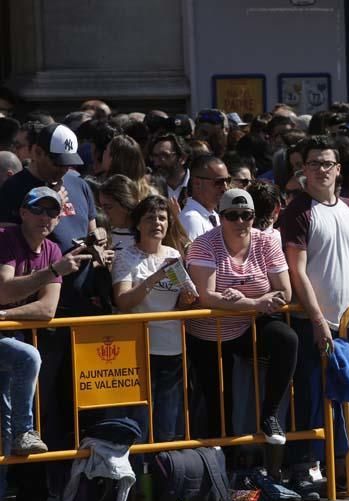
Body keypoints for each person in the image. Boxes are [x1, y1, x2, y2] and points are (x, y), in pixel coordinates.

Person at [279, 136, 349, 473]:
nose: (321, 170)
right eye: (313, 164)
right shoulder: (297, 210)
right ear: (303, 170)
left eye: (327, 163)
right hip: (313, 320)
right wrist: (317, 318)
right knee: (311, 394)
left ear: (338, 169)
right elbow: (297, 270)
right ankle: (308, 466)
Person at [0, 187, 93, 501]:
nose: (46, 218)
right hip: (13, 343)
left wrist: (6, 317)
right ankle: (27, 431)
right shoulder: (6, 237)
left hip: (6, 334)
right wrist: (53, 271)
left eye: (52, 213)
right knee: (28, 358)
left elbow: (47, 309)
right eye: (39, 210)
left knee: (5, 420)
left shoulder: (53, 248)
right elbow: (4, 288)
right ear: (23, 212)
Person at [187, 188, 297, 443]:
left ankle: (270, 416)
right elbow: (208, 297)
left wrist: (246, 303)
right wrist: (256, 301)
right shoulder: (204, 244)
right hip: (209, 333)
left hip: (249, 325)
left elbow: (285, 292)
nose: (239, 222)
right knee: (218, 404)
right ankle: (222, 467)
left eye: (246, 215)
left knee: (286, 339)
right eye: (232, 215)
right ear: (220, 217)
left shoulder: (267, 241)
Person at [111, 195, 196, 442]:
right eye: (150, 218)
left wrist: (188, 299)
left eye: (162, 218)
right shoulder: (126, 257)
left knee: (167, 426)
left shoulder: (173, 254)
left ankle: (163, 476)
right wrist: (155, 277)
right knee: (139, 424)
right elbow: (123, 300)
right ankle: (139, 477)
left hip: (172, 350)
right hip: (138, 351)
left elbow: (185, 298)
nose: (157, 223)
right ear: (138, 224)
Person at [179, 155, 230, 241]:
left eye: (228, 181)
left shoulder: (214, 216)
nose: (225, 188)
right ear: (197, 183)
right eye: (218, 182)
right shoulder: (191, 219)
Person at [98, 174, 140, 250]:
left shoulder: (144, 235)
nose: (103, 212)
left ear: (126, 205)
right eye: (101, 206)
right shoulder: (102, 236)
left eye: (108, 207)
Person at [150, 133, 190, 201]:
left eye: (165, 155)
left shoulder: (198, 185)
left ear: (183, 158)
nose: (158, 162)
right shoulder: (149, 187)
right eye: (155, 156)